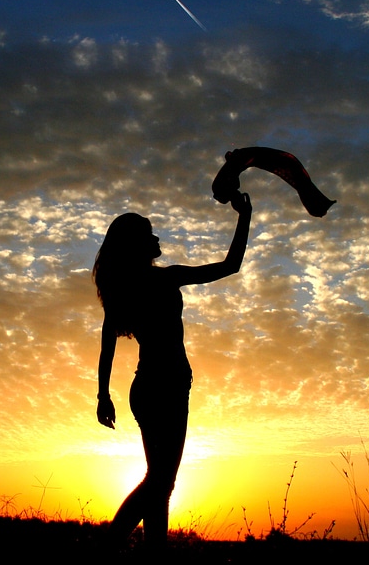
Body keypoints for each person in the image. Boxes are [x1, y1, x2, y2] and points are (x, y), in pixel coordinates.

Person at [92, 192, 252, 548]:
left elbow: (107, 349)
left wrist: (103, 395)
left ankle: (153, 558)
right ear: (136, 244)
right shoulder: (164, 280)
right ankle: (109, 546)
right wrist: (245, 216)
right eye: (149, 234)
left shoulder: (123, 290)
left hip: (145, 388)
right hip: (167, 387)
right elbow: (231, 265)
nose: (156, 238)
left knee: (159, 481)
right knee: (162, 483)